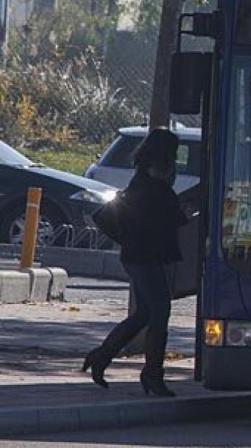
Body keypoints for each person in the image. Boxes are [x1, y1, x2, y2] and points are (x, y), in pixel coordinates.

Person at [82, 128, 188, 397]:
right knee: (160, 312)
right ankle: (152, 373)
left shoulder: (143, 181)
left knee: (144, 313)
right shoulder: (151, 186)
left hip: (139, 257)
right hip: (145, 258)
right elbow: (165, 217)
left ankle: (102, 356)